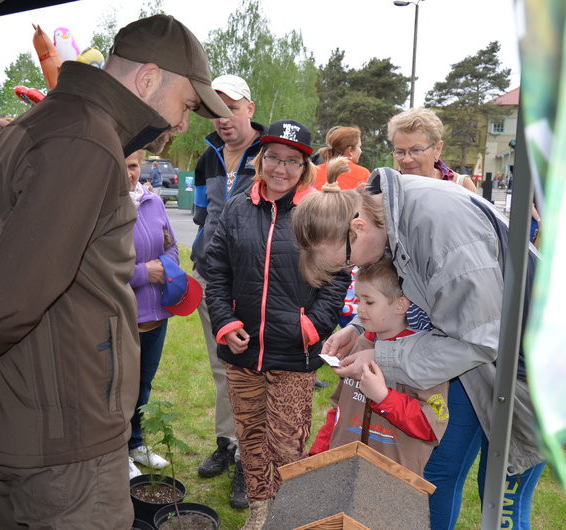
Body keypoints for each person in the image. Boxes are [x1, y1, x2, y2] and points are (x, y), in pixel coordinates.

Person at [0, 14, 230, 529]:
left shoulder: (40, 125)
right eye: (186, 104)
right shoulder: (86, 141)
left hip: (26, 417)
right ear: (147, 78)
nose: (183, 124)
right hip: (64, 436)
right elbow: (7, 295)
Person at [291, 165, 545, 530]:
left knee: (491, 492)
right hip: (479, 362)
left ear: (358, 227)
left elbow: (477, 341)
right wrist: (359, 326)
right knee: (438, 477)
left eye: (348, 260)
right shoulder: (391, 215)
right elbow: (413, 288)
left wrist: (380, 354)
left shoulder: (442, 232)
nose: (356, 267)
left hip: (528, 371)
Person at [204, 120, 349, 530]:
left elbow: (338, 276)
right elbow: (217, 269)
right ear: (260, 159)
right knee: (250, 438)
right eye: (272, 158)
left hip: (293, 350)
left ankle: (287, 513)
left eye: (290, 160)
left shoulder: (318, 209)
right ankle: (259, 511)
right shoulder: (238, 207)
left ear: (304, 166)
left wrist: (313, 327)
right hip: (243, 349)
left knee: (286, 443)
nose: (279, 168)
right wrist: (224, 320)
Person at [191, 73, 265, 509]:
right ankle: (227, 443)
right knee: (223, 367)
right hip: (211, 279)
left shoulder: (272, 153)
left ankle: (248, 458)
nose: (224, 118)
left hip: (254, 283)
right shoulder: (207, 158)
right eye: (216, 109)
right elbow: (202, 216)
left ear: (250, 108)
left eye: (232, 107)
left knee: (251, 370)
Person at [309, 256, 448, 476]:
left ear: (401, 305)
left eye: (369, 302)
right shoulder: (360, 344)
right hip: (341, 471)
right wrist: (318, 454)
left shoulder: (423, 357)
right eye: (359, 299)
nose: (360, 309)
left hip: (392, 483)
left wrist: (384, 397)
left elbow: (430, 425)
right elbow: (339, 409)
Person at [125, 149, 177, 479]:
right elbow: (98, 266)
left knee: (143, 385)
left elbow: (170, 244)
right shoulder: (100, 208)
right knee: (119, 389)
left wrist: (165, 265)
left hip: (157, 314)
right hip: (122, 316)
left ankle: (136, 442)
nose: (128, 173)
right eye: (121, 165)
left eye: (133, 165)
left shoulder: (153, 202)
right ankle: (115, 451)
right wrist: (145, 273)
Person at [387, 107, 479, 194]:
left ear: (437, 149)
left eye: (416, 150)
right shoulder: (388, 189)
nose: (406, 160)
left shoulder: (462, 186)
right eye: (400, 152)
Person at [312, 126, 370, 190]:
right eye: (359, 147)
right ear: (350, 151)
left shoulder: (314, 171)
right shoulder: (363, 174)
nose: (361, 151)